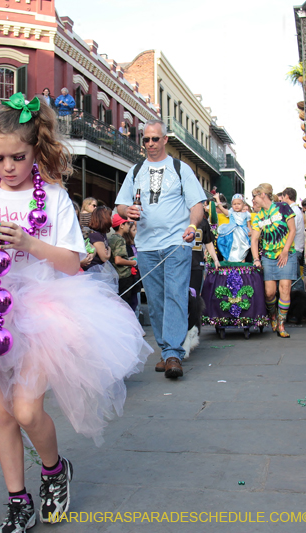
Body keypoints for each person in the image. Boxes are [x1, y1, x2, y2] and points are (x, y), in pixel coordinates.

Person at [0, 92, 151, 532]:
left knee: (28, 410)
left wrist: (28, 243)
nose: (7, 167)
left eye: (17, 156)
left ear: (36, 149)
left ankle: (53, 471)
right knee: (3, 414)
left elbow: (73, 262)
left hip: (43, 312)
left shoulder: (53, 198)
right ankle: (17, 500)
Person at [116, 119, 205, 378]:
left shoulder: (181, 168)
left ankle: (174, 354)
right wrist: (126, 210)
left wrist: (192, 225)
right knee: (155, 302)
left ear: (165, 139)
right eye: (146, 139)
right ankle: (167, 351)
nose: (151, 144)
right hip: (145, 247)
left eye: (155, 139)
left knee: (176, 295)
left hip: (177, 243)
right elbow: (120, 205)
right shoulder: (135, 171)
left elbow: (197, 204)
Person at [250, 183, 297, 338]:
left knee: (285, 289)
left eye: (255, 196)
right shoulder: (258, 216)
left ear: (263, 194)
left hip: (286, 254)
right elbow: (255, 239)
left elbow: (292, 230)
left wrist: (284, 251)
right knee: (269, 293)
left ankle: (282, 324)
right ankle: (273, 316)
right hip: (268, 257)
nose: (253, 200)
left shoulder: (283, 208)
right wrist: (256, 259)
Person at [109, 214, 140, 309]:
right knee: (126, 305)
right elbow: (118, 260)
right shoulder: (120, 240)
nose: (129, 226)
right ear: (121, 225)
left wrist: (128, 259)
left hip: (115, 276)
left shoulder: (111, 238)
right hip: (124, 277)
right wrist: (133, 262)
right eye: (127, 223)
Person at [191, 206, 219, 295]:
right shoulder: (179, 220)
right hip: (180, 262)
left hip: (196, 263)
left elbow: (208, 242)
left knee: (195, 293)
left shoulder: (203, 222)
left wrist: (215, 259)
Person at [215, 193, 251, 263]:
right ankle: (228, 259)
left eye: (239, 204)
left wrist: (250, 231)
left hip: (243, 233)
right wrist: (217, 199)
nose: (236, 206)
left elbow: (248, 225)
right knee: (228, 242)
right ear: (232, 205)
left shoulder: (247, 214)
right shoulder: (231, 213)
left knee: (244, 245)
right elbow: (222, 208)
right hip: (231, 231)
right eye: (234, 204)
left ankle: (242, 260)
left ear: (243, 204)